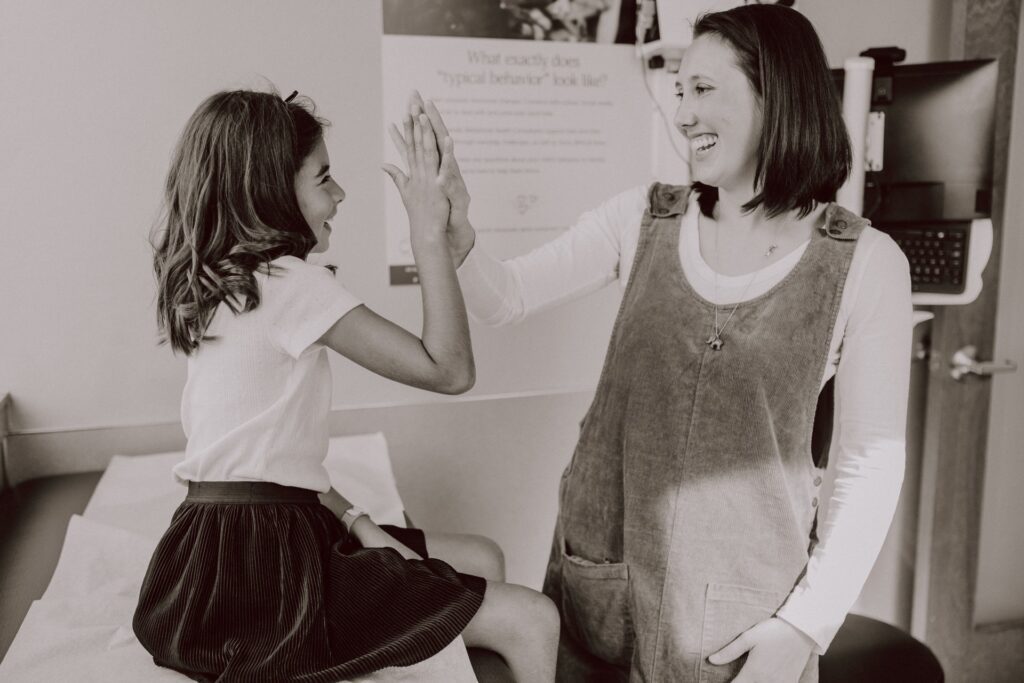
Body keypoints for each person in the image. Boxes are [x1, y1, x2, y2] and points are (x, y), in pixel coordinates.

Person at [408, 4, 912, 682]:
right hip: (600, 600)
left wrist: (803, 626)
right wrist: (457, 231)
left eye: (703, 89)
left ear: (779, 95)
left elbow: (869, 465)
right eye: (680, 91)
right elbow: (505, 298)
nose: (682, 115)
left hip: (745, 633)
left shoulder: (866, 262)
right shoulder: (642, 218)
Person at [132, 89, 558, 682]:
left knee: (483, 556)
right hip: (265, 572)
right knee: (534, 619)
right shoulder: (287, 284)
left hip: (207, 559)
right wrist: (427, 233)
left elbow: (261, 463)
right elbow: (450, 370)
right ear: (272, 193)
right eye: (323, 178)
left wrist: (359, 521)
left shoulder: (222, 282)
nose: (340, 195)